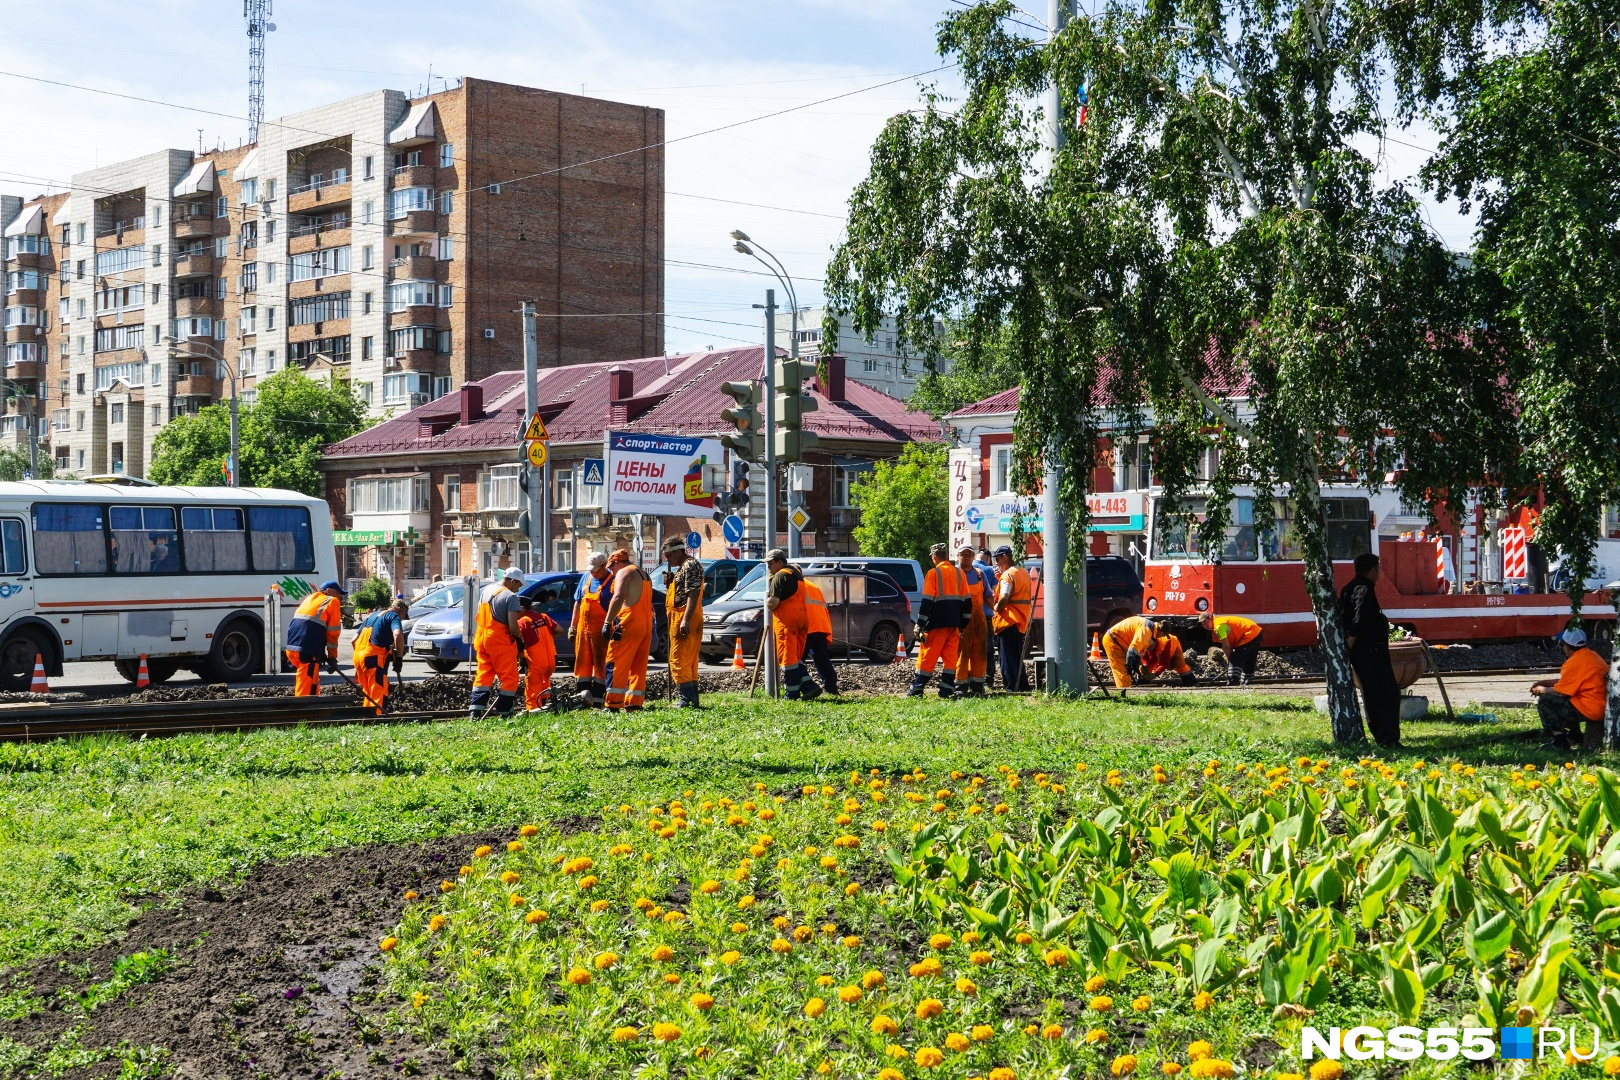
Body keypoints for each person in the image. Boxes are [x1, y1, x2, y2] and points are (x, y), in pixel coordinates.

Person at [1340, 552, 1400, 746]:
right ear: (1373, 570)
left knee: (1372, 693)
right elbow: (1359, 620)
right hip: (1370, 651)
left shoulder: (1349, 588)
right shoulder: (1364, 589)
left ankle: (1382, 735)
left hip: (1365, 652)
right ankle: (1388, 737)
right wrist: (1350, 642)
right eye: (1379, 568)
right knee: (1386, 692)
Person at [1530, 625, 1609, 751]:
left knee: (1546, 700)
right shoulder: (1593, 656)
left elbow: (1561, 692)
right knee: (1572, 698)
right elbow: (1572, 682)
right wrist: (1546, 682)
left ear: (1566, 646)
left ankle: (1559, 741)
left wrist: (1542, 690)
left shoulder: (1572, 663)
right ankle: (1575, 735)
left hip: (1590, 710)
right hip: (1601, 706)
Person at [909, 543, 968, 698]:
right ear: (946, 556)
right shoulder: (959, 574)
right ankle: (947, 690)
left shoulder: (933, 573)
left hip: (936, 624)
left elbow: (927, 601)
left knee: (927, 657)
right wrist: (963, 625)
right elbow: (967, 602)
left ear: (934, 557)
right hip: (953, 625)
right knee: (950, 660)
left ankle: (917, 689)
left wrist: (920, 624)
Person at [601, 548, 653, 711]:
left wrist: (607, 622)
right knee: (639, 664)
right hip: (645, 625)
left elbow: (618, 597)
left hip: (628, 623)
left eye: (611, 568)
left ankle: (613, 703)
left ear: (617, 563)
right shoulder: (644, 574)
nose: (611, 572)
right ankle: (635, 702)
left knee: (616, 661)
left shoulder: (624, 573)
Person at [766, 548, 821, 701]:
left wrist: (767, 601)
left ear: (779, 562)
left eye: (770, 563)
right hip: (802, 620)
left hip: (787, 622)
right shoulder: (797, 575)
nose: (768, 567)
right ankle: (809, 687)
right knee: (796, 658)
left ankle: (792, 694)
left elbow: (773, 603)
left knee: (787, 659)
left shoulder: (780, 576)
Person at [471, 568, 526, 718]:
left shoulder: (487, 590)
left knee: (483, 674)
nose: (519, 588)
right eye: (518, 584)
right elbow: (513, 627)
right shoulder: (510, 596)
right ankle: (504, 713)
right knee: (509, 677)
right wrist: (520, 642)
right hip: (499, 641)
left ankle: (475, 713)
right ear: (512, 581)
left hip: (481, 638)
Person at [662, 537, 705, 708]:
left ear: (679, 551)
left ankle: (686, 700)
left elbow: (693, 593)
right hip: (681, 616)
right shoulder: (683, 568)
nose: (667, 559)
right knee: (688, 661)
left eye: (669, 555)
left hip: (684, 617)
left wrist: (685, 619)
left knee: (678, 660)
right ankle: (691, 700)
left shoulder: (690, 565)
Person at [284, 580, 344, 696]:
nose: (339, 597)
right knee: (307, 687)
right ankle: (304, 711)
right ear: (328, 591)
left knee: (311, 680)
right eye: (337, 593)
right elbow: (333, 633)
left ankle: (312, 707)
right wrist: (332, 657)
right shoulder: (332, 601)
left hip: (292, 648)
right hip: (307, 649)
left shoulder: (310, 599)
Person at [1102, 615, 1195, 688]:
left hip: (1119, 641)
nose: (1161, 637)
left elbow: (1140, 652)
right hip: (1114, 641)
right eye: (1162, 636)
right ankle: (1124, 695)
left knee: (1180, 664)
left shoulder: (1151, 632)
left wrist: (1137, 666)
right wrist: (1129, 664)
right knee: (1122, 671)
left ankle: (1125, 692)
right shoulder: (1146, 631)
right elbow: (1133, 649)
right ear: (1161, 632)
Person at [352, 598, 408, 714]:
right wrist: (399, 658)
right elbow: (398, 635)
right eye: (404, 616)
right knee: (378, 691)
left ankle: (367, 717)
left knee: (368, 692)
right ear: (401, 611)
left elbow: (353, 640)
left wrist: (363, 656)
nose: (402, 619)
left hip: (358, 657)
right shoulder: (393, 616)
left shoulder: (371, 616)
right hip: (373, 658)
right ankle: (378, 719)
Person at [570, 553, 610, 707]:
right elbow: (578, 602)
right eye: (591, 570)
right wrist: (573, 626)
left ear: (605, 566)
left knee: (601, 667)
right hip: (583, 630)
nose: (593, 573)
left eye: (596, 570)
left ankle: (598, 702)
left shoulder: (612, 581)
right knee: (582, 666)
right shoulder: (586, 577)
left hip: (601, 632)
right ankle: (581, 701)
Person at [991, 546, 1032, 691]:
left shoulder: (1007, 575)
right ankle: (1023, 686)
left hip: (1007, 621)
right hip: (1020, 620)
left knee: (1007, 658)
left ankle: (1011, 688)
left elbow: (1004, 596)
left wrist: (996, 608)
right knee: (1017, 657)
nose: (996, 561)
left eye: (997, 558)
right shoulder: (1022, 572)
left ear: (1005, 557)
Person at [955, 544, 991, 698]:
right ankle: (960, 685)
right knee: (961, 654)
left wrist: (996, 608)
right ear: (958, 556)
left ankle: (977, 685)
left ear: (973, 556)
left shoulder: (979, 574)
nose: (967, 557)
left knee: (980, 653)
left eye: (969, 554)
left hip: (979, 621)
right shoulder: (954, 574)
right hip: (961, 621)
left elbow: (988, 595)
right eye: (963, 554)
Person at [517, 597, 560, 712]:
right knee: (545, 684)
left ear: (522, 608)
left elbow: (519, 643)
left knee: (532, 691)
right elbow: (559, 630)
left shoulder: (522, 622)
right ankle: (546, 707)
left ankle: (534, 713)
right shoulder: (544, 617)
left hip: (536, 662)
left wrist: (521, 658)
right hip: (551, 660)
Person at [1199, 613, 1263, 685]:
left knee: (1236, 658)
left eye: (1205, 622)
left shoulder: (1219, 626)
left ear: (1210, 618)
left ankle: (1233, 681)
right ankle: (1247, 680)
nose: (1205, 626)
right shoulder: (1218, 622)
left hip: (1250, 633)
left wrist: (1231, 662)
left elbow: (1226, 647)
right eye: (1203, 624)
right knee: (1249, 659)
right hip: (1256, 632)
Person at [803, 574, 838, 695]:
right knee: (821, 658)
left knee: (798, 659)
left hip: (808, 627)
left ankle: (806, 687)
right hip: (821, 626)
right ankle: (831, 688)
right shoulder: (813, 586)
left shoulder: (797, 586)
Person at [975, 547, 1000, 687]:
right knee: (988, 648)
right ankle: (988, 678)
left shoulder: (965, 567)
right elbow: (995, 592)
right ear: (988, 559)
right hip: (986, 615)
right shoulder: (990, 571)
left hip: (969, 615)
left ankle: (970, 675)